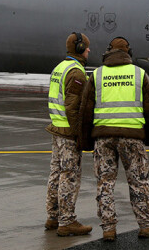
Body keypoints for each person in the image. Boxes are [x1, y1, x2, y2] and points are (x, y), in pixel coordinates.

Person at [79, 37, 149, 242]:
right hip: (132, 138)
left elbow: (85, 111)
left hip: (103, 138)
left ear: (108, 51)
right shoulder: (140, 74)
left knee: (105, 183)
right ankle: (146, 225)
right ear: (128, 53)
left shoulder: (97, 75)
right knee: (139, 182)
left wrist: (86, 142)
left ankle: (108, 229)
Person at [45, 32, 93, 237]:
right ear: (80, 48)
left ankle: (53, 216)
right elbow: (72, 108)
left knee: (56, 173)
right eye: (87, 47)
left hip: (57, 129)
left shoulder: (59, 68)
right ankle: (67, 221)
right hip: (68, 133)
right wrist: (79, 135)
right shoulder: (76, 73)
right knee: (69, 176)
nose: (90, 50)